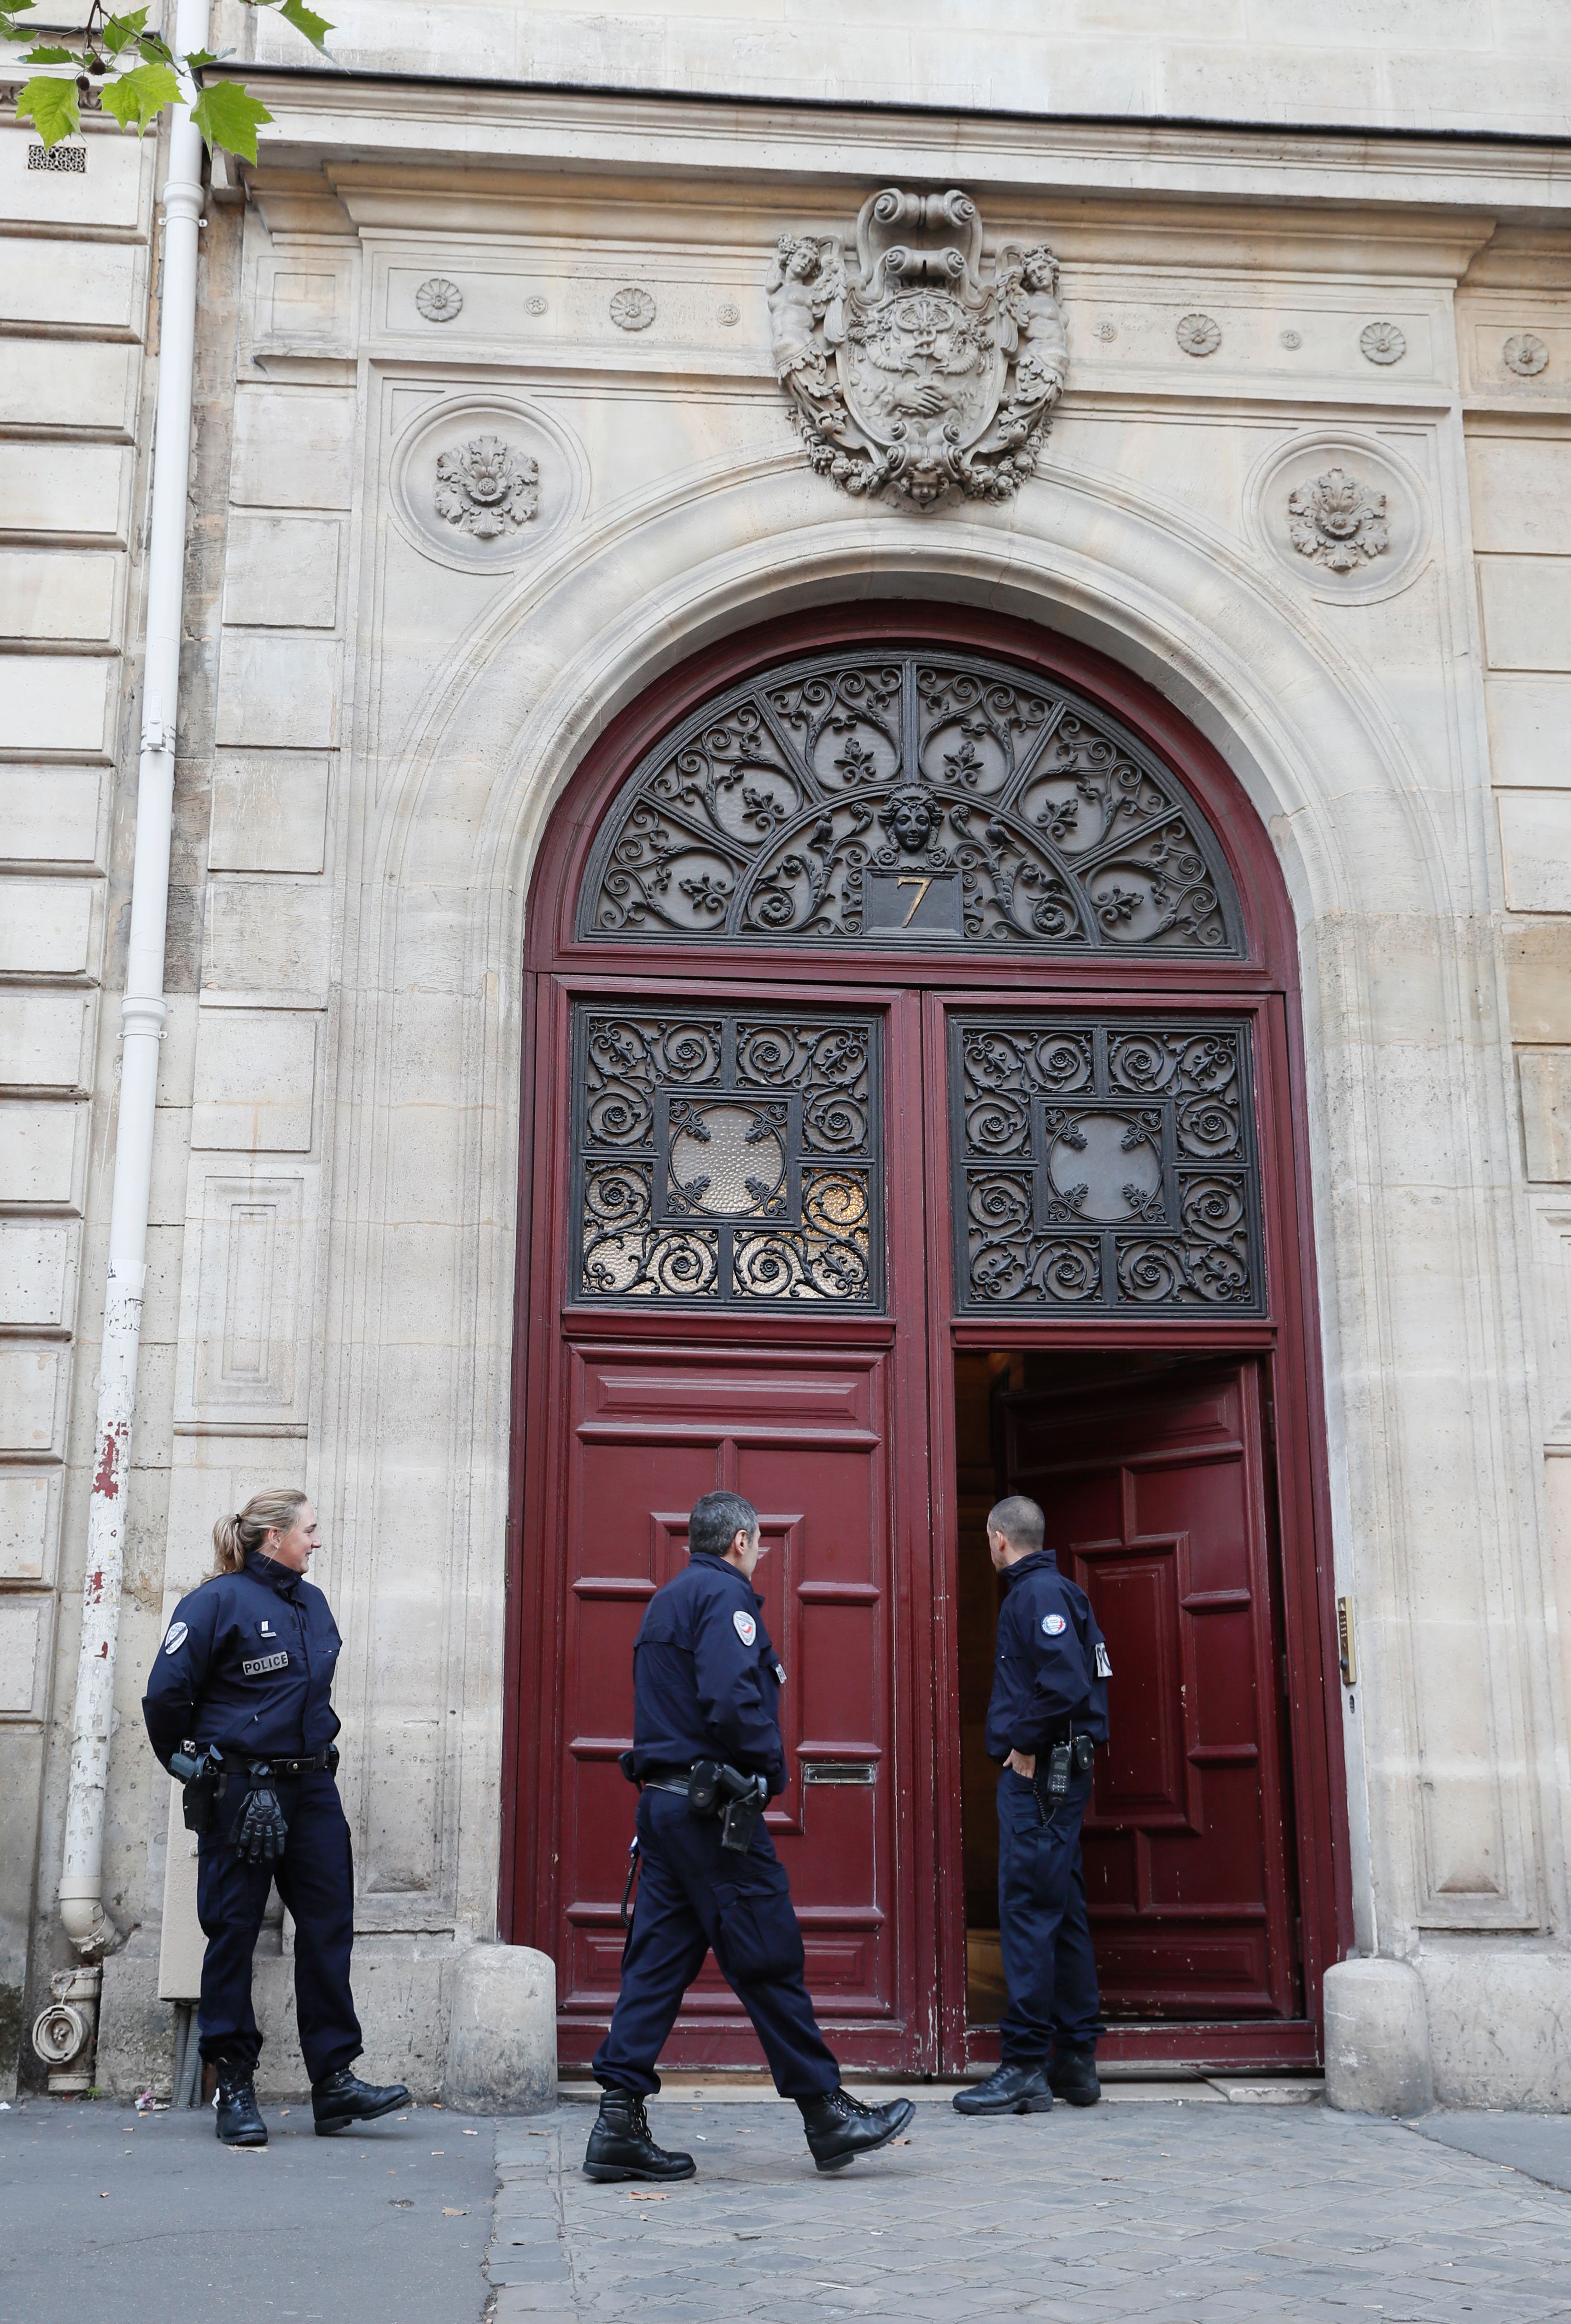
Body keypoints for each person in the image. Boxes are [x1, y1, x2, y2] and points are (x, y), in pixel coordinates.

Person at [586, 1490, 915, 2180]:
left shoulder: (666, 1602)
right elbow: (735, 1700)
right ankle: (827, 2114)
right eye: (759, 1544)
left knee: (656, 1964)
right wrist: (770, 1771)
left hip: (667, 1811)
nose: (759, 1554)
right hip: (713, 1818)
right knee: (767, 1954)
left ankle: (617, 2122)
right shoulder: (726, 1601)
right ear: (741, 1541)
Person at [142, 1489, 409, 2148]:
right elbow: (165, 1696)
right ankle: (234, 2083)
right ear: (273, 1537)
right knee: (232, 1933)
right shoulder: (215, 1603)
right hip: (243, 1790)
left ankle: (335, 2082)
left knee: (327, 1930)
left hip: (312, 1787)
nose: (316, 1541)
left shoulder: (311, 1603)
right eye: (309, 1531)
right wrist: (193, 1767)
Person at [955, 1494, 1110, 2118]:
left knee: (1027, 1913)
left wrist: (1024, 1742)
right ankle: (1075, 2060)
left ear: (997, 1538)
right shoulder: (1056, 1592)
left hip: (1042, 1780)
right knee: (1063, 1912)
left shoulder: (1036, 1595)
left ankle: (1023, 2065)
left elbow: (1065, 1682)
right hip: (1060, 1777)